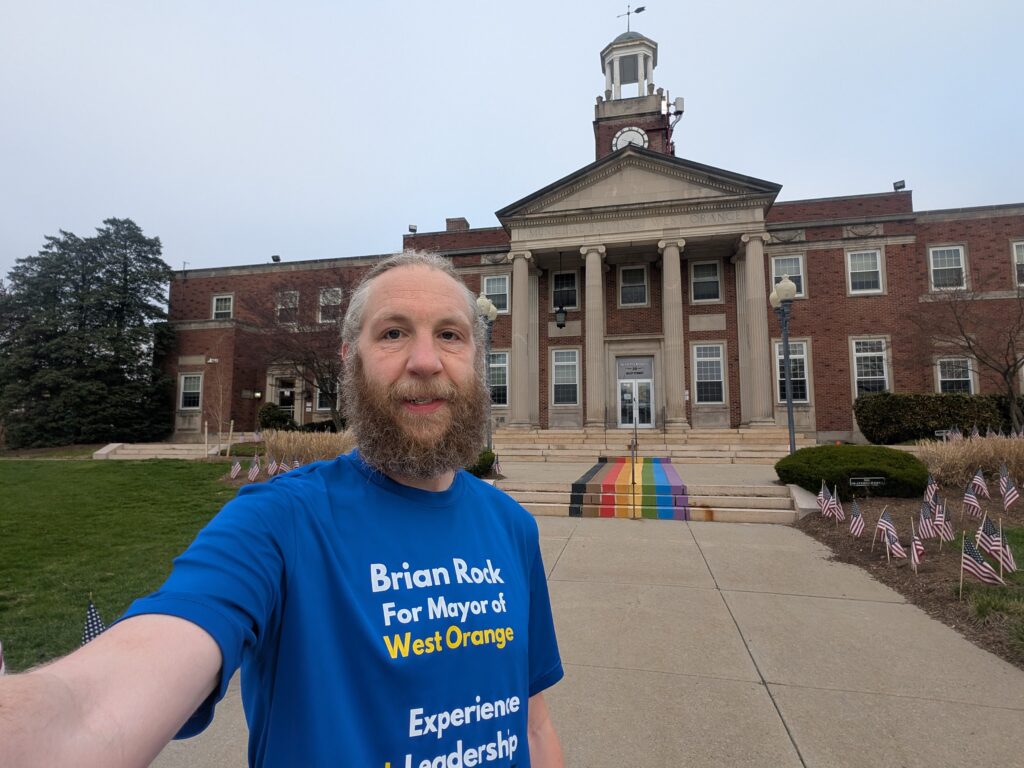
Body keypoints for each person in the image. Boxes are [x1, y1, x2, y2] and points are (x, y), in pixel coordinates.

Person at [0, 251, 564, 768]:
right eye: (393, 333)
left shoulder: (511, 527)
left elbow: (533, 726)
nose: (425, 360)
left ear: (476, 357)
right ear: (351, 360)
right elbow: (100, 706)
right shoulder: (280, 523)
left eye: (450, 335)